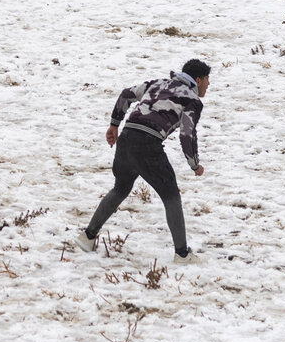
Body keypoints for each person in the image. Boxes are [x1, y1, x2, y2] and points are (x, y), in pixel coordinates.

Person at [76, 59, 212, 264]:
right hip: (148, 145)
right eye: (208, 80)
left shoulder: (157, 84)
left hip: (126, 139)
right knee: (171, 195)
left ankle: (87, 237)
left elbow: (126, 94)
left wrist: (114, 125)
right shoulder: (191, 100)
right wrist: (194, 164)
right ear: (198, 80)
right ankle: (182, 254)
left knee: (120, 189)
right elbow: (187, 133)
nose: (208, 85)